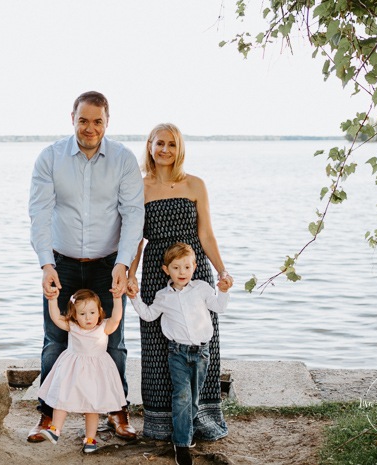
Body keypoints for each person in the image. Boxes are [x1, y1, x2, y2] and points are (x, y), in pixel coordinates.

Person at [28, 91, 144, 442]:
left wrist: (124, 263)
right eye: (83, 120)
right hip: (61, 262)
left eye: (97, 121)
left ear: (107, 122)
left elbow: (133, 213)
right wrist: (46, 264)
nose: (90, 128)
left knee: (114, 340)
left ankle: (117, 411)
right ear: (72, 118)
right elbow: (40, 213)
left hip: (108, 264)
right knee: (55, 339)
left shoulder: (123, 160)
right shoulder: (50, 158)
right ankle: (48, 416)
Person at [127, 122, 234, 442]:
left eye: (172, 144)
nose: (165, 150)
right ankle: (162, 423)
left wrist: (222, 271)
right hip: (157, 271)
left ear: (180, 149)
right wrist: (130, 274)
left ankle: (201, 417)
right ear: (149, 146)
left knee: (203, 342)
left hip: (195, 266)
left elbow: (206, 234)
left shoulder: (195, 184)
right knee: (158, 346)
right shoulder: (138, 187)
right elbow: (135, 240)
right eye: (159, 143)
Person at [130, 242, 230, 465]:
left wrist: (223, 291)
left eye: (186, 267)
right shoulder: (163, 296)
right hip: (178, 353)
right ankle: (182, 444)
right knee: (182, 396)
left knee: (194, 398)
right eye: (176, 268)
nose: (181, 272)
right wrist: (134, 297)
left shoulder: (203, 288)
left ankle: (187, 431)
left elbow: (219, 308)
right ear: (167, 270)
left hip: (203, 352)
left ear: (194, 266)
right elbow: (148, 315)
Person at [37, 288, 126, 454]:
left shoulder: (104, 327)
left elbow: (117, 318)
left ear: (99, 311)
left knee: (92, 406)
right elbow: (56, 317)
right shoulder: (73, 326)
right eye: (82, 313)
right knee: (61, 398)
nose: (88, 317)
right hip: (73, 369)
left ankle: (90, 439)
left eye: (92, 312)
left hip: (95, 372)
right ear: (74, 314)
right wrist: (52, 300)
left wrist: (117, 298)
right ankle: (55, 429)